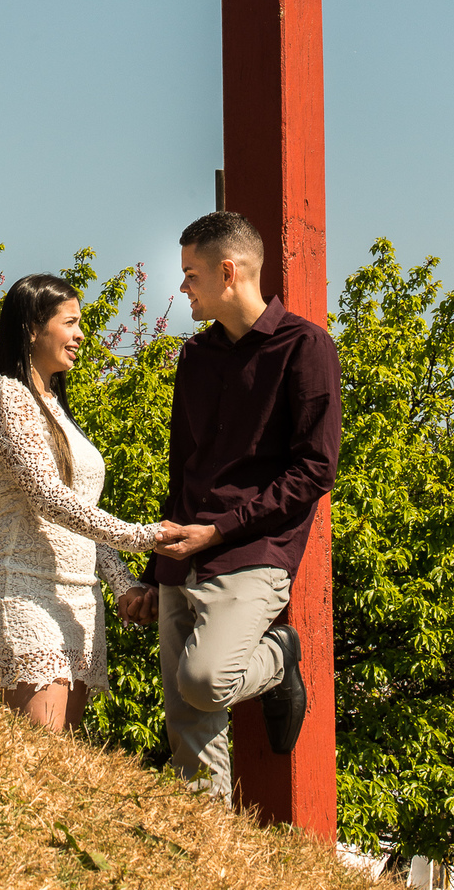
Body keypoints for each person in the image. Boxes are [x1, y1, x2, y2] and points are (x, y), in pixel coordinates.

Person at [120, 210, 341, 801]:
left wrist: (216, 533)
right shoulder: (195, 357)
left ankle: (281, 653)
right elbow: (183, 471)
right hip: (181, 552)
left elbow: (316, 470)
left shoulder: (306, 348)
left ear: (228, 271)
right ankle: (208, 846)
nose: (184, 288)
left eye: (191, 274)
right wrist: (152, 569)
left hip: (251, 552)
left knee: (205, 681)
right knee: (188, 724)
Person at [0, 273, 181, 733]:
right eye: (70, 322)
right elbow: (48, 498)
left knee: (62, 763)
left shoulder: (57, 406)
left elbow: (79, 513)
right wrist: (143, 536)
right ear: (32, 327)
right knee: (37, 759)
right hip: (23, 589)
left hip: (79, 601)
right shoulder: (6, 396)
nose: (81, 334)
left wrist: (123, 585)